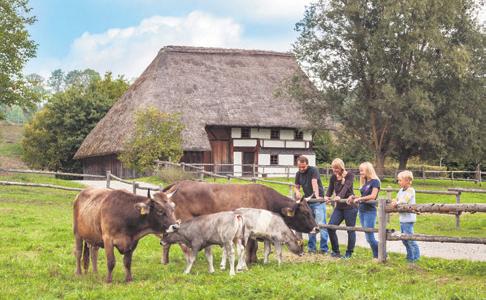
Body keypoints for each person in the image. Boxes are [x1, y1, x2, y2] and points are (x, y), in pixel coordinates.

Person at [294, 156, 328, 254]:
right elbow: (296, 187)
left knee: (321, 224)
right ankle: (311, 248)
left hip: (318, 202)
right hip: (308, 203)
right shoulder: (298, 174)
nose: (301, 169)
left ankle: (324, 249)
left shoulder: (313, 170)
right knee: (311, 225)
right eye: (299, 167)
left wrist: (316, 196)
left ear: (307, 164)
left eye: (303, 167)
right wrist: (297, 192)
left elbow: (314, 183)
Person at [325, 158, 357, 259]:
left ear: (341, 167)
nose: (335, 170)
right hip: (339, 207)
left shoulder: (349, 175)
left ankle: (349, 253)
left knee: (350, 229)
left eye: (337, 168)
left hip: (350, 207)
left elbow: (346, 187)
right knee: (331, 227)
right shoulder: (333, 177)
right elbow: (330, 189)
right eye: (333, 168)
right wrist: (327, 196)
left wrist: (339, 196)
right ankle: (336, 251)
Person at [348, 162, 380, 259]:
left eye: (362, 170)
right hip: (361, 211)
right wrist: (354, 197)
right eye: (360, 170)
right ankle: (379, 254)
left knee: (370, 237)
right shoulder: (366, 182)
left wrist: (360, 199)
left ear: (368, 170)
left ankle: (379, 255)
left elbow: (373, 196)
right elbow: (363, 197)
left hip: (370, 211)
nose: (360, 172)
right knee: (368, 237)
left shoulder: (375, 182)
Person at [392, 170, 420, 263]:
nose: (398, 182)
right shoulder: (400, 190)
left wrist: (397, 203)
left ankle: (415, 258)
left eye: (400, 180)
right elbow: (397, 198)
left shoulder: (411, 190)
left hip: (408, 218)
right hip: (403, 219)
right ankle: (410, 256)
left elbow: (405, 200)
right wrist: (394, 201)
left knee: (410, 239)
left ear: (407, 181)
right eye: (398, 180)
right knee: (404, 239)